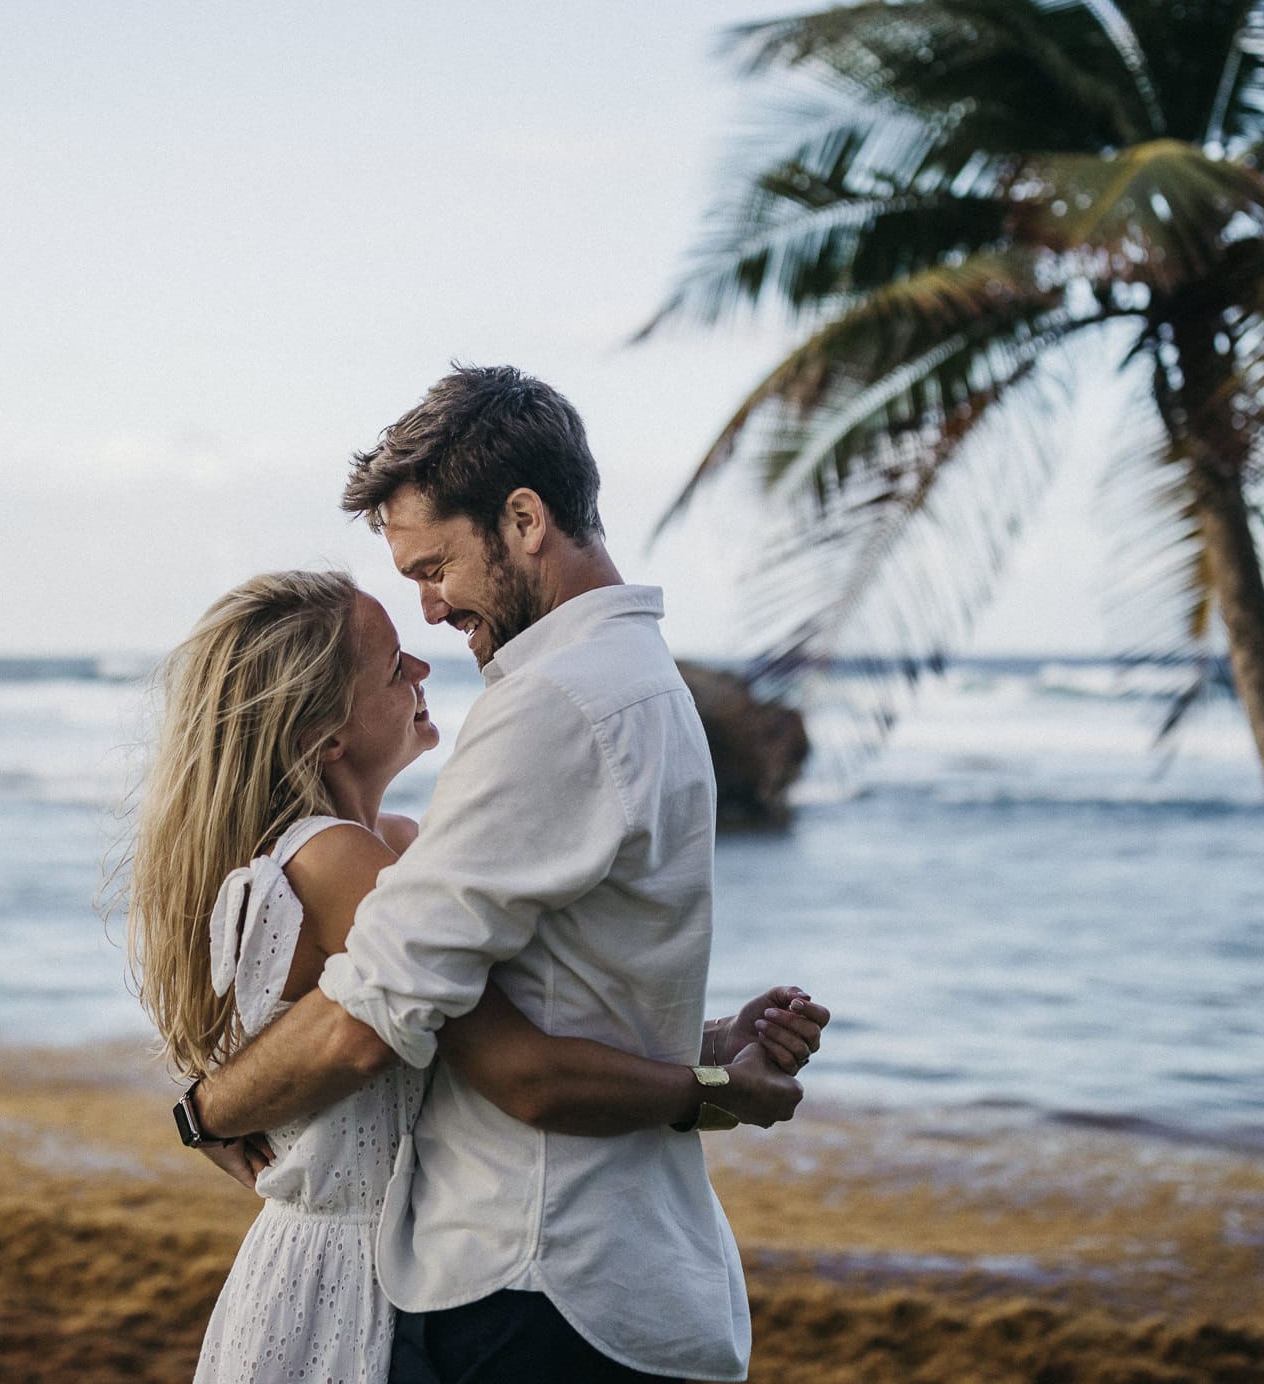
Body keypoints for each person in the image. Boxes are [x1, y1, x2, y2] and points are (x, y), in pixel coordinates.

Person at [184, 365, 819, 1382]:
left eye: (436, 566)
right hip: (596, 1270)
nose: (431, 610)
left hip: (535, 1279)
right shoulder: (639, 684)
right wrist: (708, 1058)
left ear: (524, 519)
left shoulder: (557, 705)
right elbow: (568, 1003)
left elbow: (374, 1012)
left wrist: (206, 1109)